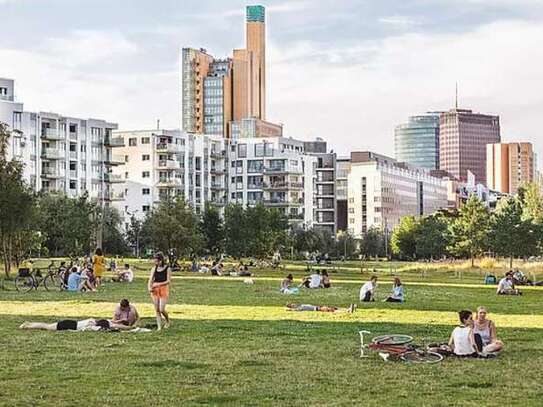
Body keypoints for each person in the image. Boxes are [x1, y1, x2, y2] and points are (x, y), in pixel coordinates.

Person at [148, 252, 171, 330]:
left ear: (161, 260)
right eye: (155, 261)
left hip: (163, 288)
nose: (156, 262)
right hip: (155, 289)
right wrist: (149, 287)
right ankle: (159, 327)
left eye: (157, 261)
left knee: (161, 309)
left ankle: (167, 321)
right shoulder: (154, 268)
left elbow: (168, 281)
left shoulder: (167, 268)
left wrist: (158, 284)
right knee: (157, 309)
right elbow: (150, 279)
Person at [19, 318, 133, 331]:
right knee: (47, 327)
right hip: (69, 326)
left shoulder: (93, 320)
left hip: (70, 322)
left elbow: (113, 323)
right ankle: (28, 325)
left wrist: (123, 323)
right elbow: (115, 326)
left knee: (47, 325)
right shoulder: (93, 326)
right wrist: (130, 327)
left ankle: (29, 324)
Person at [286, 303, 356, 313]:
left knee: (333, 308)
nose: (294, 304)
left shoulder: (300, 305)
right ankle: (347, 311)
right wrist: (290, 310)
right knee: (331, 310)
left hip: (318, 307)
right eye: (292, 305)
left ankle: (348, 309)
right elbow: (294, 310)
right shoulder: (299, 308)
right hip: (317, 309)